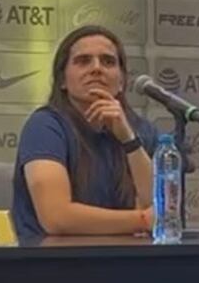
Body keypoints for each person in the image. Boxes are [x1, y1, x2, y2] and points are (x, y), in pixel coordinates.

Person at [11, 25, 158, 239]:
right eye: (83, 61)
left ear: (121, 81)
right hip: (56, 265)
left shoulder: (141, 131)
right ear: (62, 80)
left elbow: (158, 208)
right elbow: (57, 218)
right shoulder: (45, 126)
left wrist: (129, 141)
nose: (96, 68)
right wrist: (142, 220)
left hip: (129, 262)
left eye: (108, 61)